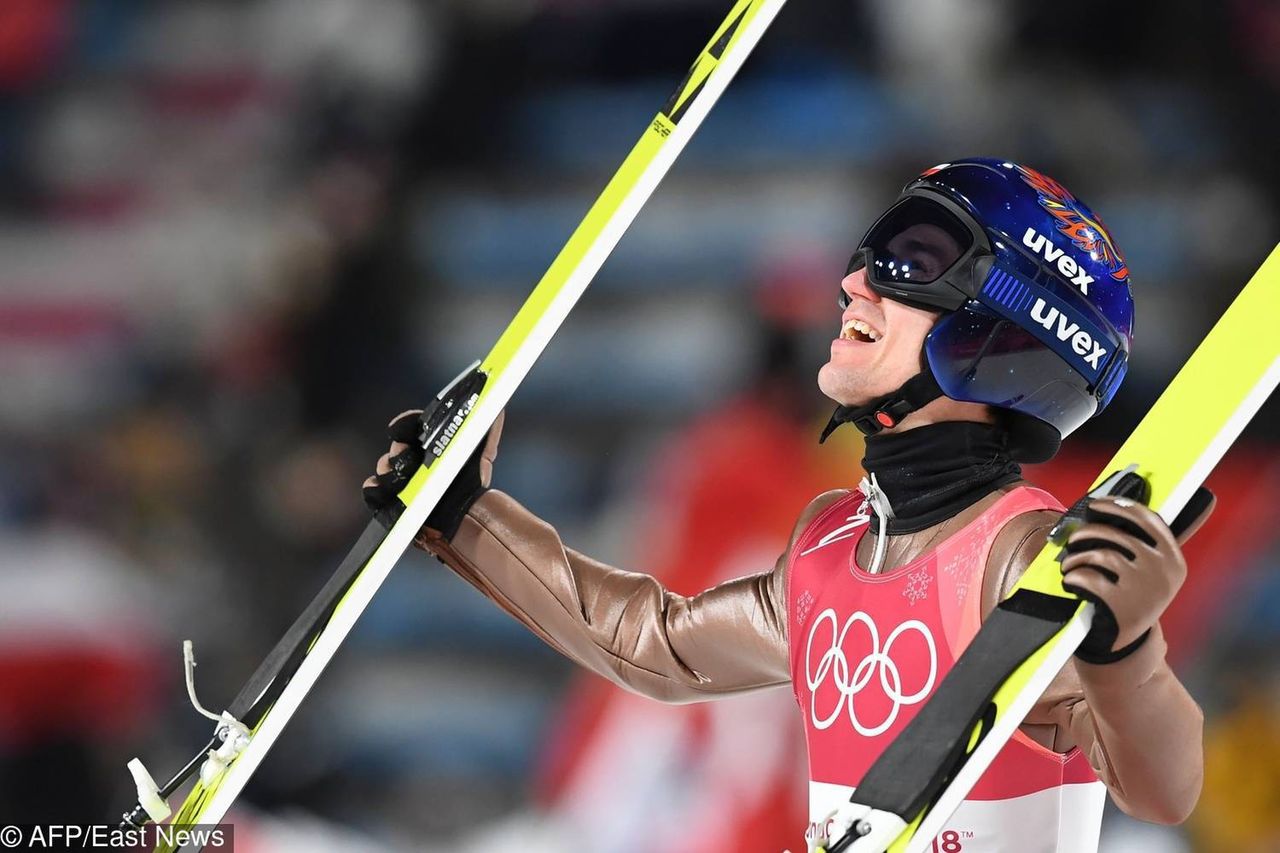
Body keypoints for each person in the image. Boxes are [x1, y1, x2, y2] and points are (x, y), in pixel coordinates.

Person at [364, 159, 1212, 853]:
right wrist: (465, 517)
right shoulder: (830, 545)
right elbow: (655, 646)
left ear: (998, 334)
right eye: (871, 251)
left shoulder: (1018, 559)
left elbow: (1164, 788)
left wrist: (1128, 654)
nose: (853, 282)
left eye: (908, 263)